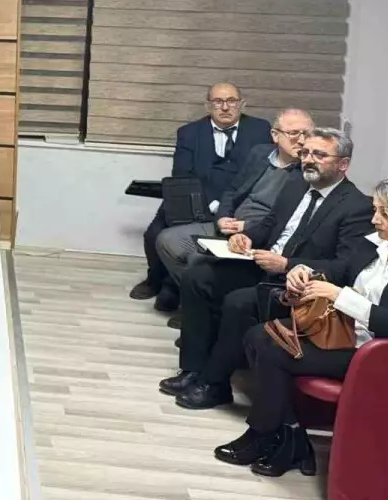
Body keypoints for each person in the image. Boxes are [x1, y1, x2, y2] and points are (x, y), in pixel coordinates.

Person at [214, 176, 388, 477]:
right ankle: (290, 435)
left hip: (381, 354)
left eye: (386, 213)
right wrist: (304, 272)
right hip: (345, 334)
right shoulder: (375, 244)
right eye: (375, 209)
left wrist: (339, 296)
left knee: (273, 350)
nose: (375, 219)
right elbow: (338, 270)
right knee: (257, 335)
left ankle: (264, 434)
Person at [160, 128, 373, 410]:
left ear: (343, 164)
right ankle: (192, 369)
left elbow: (344, 268)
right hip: (263, 264)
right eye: (306, 153)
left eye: (320, 155)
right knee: (198, 275)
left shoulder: (357, 206)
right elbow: (271, 224)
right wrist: (247, 237)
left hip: (298, 286)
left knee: (240, 302)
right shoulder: (296, 184)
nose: (309, 160)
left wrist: (287, 264)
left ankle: (215, 384)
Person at [131, 83, 274, 310]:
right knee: (154, 234)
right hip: (194, 197)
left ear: (242, 104)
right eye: (218, 101)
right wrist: (211, 205)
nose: (225, 107)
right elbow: (182, 175)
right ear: (208, 105)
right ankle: (155, 280)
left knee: (207, 242)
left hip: (237, 202)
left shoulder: (260, 129)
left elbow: (260, 174)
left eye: (231, 101)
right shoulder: (189, 133)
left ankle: (177, 288)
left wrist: (226, 208)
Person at [155, 109, 313, 290]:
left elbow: (293, 220)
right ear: (275, 135)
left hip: (258, 236)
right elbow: (233, 190)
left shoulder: (308, 171)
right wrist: (222, 217)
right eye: (293, 133)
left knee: (199, 261)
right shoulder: (260, 153)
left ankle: (202, 296)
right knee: (167, 240)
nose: (302, 140)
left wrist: (246, 226)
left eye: (307, 134)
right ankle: (199, 295)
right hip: (230, 223)